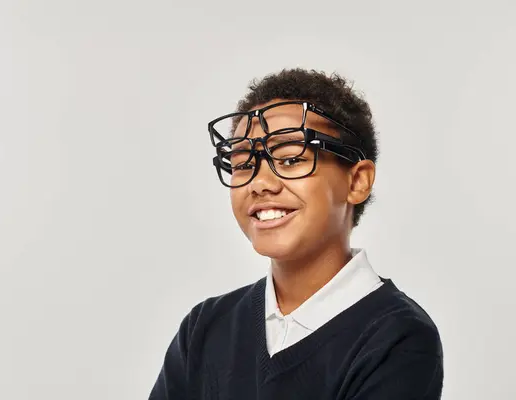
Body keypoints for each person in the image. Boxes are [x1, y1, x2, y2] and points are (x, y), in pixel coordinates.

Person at [149, 68, 443, 399]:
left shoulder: (397, 337)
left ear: (357, 181)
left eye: (290, 159)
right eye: (244, 165)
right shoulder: (206, 328)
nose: (260, 183)